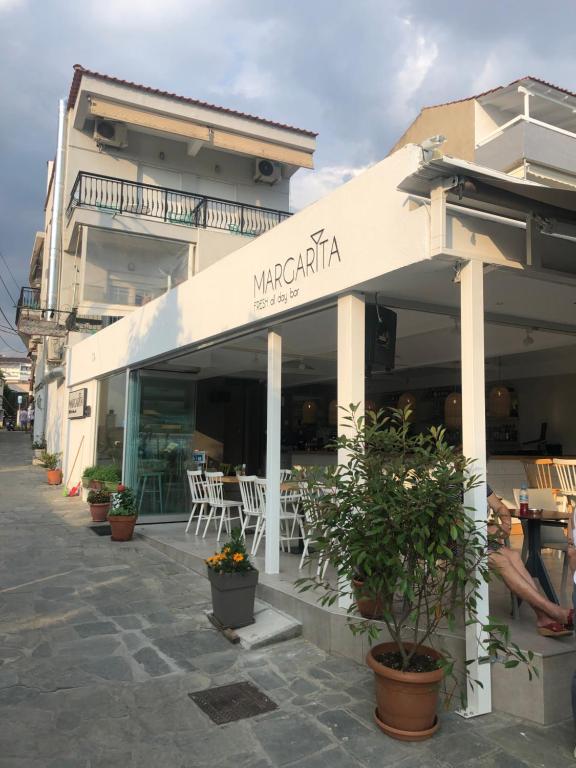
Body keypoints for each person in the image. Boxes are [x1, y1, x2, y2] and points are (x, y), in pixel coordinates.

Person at [487, 484, 573, 638]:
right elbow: (455, 524)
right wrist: (486, 530)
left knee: (514, 556)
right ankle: (555, 611)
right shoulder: (451, 484)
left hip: (483, 541)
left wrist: (506, 524)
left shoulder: (481, 483)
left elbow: (500, 507)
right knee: (502, 560)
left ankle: (543, 618)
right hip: (462, 544)